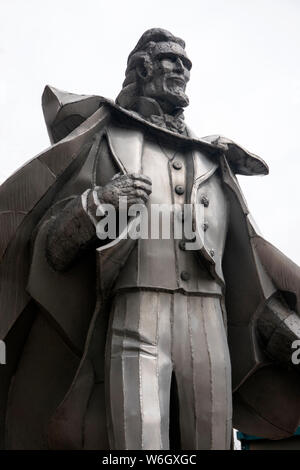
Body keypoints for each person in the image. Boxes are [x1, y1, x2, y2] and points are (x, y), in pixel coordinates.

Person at [0, 28, 300, 450]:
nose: (182, 70)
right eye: (171, 60)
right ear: (141, 68)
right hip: (134, 313)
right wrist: (100, 201)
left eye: (186, 63)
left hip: (209, 318)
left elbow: (249, 263)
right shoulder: (103, 140)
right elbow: (51, 247)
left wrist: (285, 328)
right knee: (135, 445)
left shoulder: (214, 161)